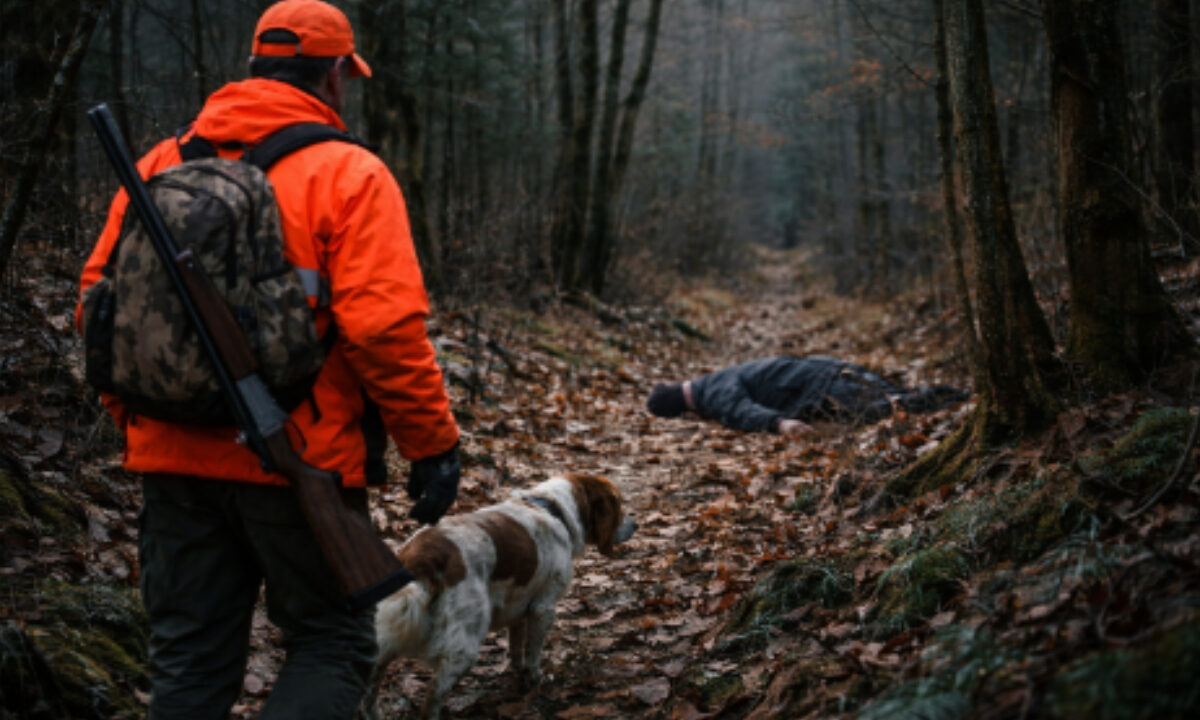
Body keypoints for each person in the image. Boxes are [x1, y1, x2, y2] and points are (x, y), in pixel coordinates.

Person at [76, 1, 461, 717]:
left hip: (169, 460)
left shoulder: (159, 162)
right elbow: (384, 333)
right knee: (332, 641)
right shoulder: (350, 173)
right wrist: (432, 447)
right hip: (302, 455)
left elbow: (96, 309)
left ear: (254, 66)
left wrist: (141, 415)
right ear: (338, 75)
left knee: (189, 657)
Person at [646, 355, 968, 434]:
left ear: (680, 411)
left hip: (825, 386)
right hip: (827, 372)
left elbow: (743, 410)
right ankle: (964, 398)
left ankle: (966, 399)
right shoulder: (710, 381)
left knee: (898, 405)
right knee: (902, 400)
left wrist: (780, 425)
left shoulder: (713, 393)